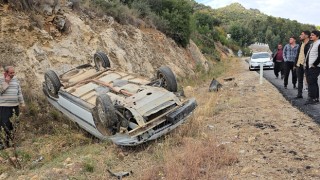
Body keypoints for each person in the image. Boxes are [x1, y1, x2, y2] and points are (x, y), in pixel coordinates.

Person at [0, 66, 25, 149]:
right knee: (5, 125)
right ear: (6, 73)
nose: (13, 74)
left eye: (14, 72)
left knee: (14, 124)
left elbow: (19, 91)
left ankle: (12, 142)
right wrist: (6, 82)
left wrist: (22, 103)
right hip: (4, 107)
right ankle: (4, 144)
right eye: (11, 73)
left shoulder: (15, 79)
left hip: (15, 106)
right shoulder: (1, 79)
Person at [294, 30, 312, 99]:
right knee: (300, 80)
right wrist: (295, 64)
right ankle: (299, 95)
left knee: (309, 81)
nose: (300, 36)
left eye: (302, 34)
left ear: (307, 36)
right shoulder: (301, 44)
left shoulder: (310, 44)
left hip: (306, 65)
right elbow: (298, 54)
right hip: (299, 64)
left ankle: (310, 96)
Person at [305, 30, 320, 105]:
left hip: (314, 67)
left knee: (311, 83)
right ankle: (316, 98)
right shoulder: (313, 44)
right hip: (309, 66)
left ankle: (312, 98)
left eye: (313, 35)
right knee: (313, 83)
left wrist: (315, 64)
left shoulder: (319, 43)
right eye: (310, 35)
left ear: (317, 36)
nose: (311, 36)